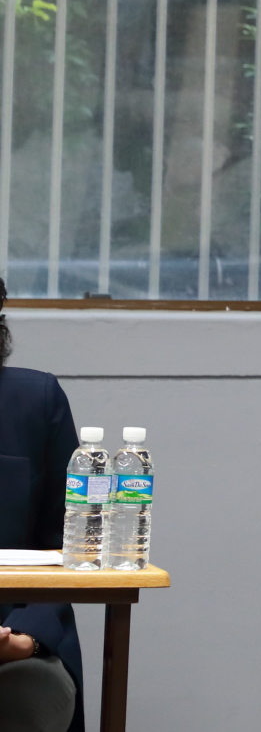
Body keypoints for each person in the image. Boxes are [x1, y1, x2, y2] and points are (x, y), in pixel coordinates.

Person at [0, 280, 84, 732]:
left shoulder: (36, 399)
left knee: (29, 692)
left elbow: (69, 544)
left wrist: (25, 636)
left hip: (14, 639)